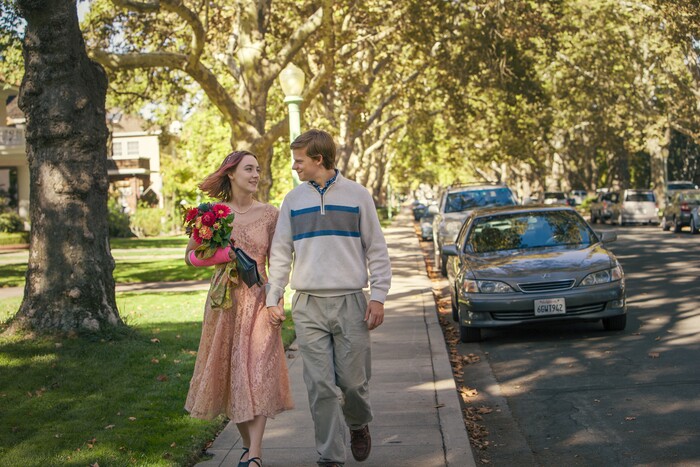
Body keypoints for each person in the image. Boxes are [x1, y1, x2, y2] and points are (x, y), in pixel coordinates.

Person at [266, 129, 392, 466]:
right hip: (307, 304)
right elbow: (280, 253)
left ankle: (358, 424)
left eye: (299, 160)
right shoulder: (292, 200)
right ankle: (330, 456)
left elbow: (376, 249)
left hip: (352, 301)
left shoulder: (358, 195)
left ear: (318, 159)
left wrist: (377, 296)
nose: (295, 166)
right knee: (320, 386)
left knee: (353, 384)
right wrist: (273, 297)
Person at [184, 150, 293, 467]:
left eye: (258, 169)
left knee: (258, 372)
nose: (256, 174)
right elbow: (190, 257)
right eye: (249, 169)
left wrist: (277, 301)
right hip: (225, 303)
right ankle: (249, 449)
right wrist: (223, 257)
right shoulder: (213, 215)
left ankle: (255, 454)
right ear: (231, 173)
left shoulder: (271, 214)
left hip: (259, 299)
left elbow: (279, 263)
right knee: (235, 376)